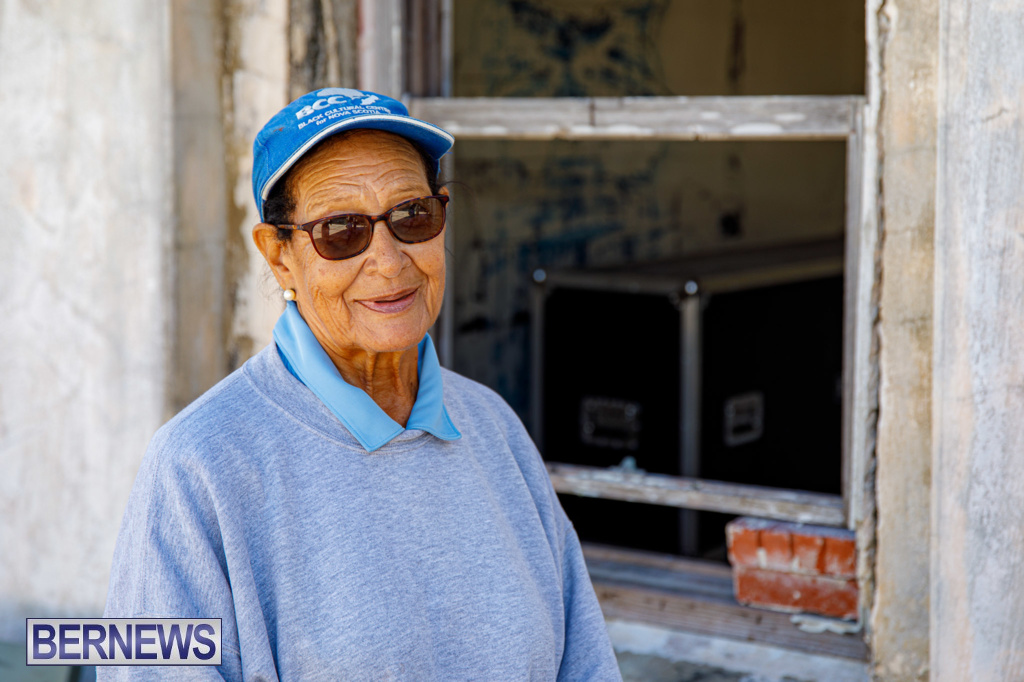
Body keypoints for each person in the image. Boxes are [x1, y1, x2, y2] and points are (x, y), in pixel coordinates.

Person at [101, 88, 622, 681]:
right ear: (279, 256)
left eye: (412, 216)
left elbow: (584, 665)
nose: (390, 261)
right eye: (341, 231)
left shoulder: (492, 425)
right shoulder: (197, 465)